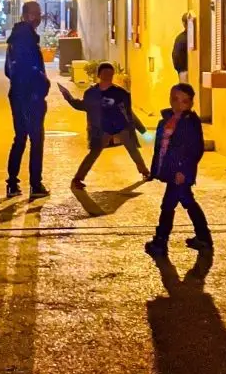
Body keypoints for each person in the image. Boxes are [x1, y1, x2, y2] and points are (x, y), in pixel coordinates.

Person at [145, 82, 212, 258]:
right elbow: (162, 147)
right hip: (172, 171)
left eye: (184, 101)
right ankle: (203, 237)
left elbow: (194, 149)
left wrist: (183, 170)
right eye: (175, 99)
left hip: (179, 173)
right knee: (187, 201)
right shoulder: (169, 119)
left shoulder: (190, 123)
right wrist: (157, 169)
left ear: (190, 103)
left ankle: (160, 241)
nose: (178, 103)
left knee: (168, 205)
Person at [58, 63, 150, 189]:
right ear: (99, 75)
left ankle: (145, 171)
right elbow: (83, 106)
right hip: (102, 128)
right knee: (94, 153)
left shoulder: (120, 93)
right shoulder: (91, 93)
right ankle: (77, 179)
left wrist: (141, 129)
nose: (108, 76)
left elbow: (129, 113)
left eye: (110, 74)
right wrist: (68, 97)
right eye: (105, 73)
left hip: (120, 126)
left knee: (132, 149)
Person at [5, 0, 50, 199]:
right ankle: (35, 184)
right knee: (35, 139)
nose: (37, 17)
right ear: (25, 15)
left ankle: (13, 183)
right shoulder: (25, 37)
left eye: (39, 13)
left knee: (21, 138)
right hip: (29, 95)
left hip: (19, 93)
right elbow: (26, 67)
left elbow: (9, 70)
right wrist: (42, 83)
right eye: (34, 13)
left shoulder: (17, 36)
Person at [172, 14, 190, 82]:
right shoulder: (190, 38)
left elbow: (176, 56)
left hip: (182, 71)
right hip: (185, 71)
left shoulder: (180, 38)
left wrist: (179, 69)